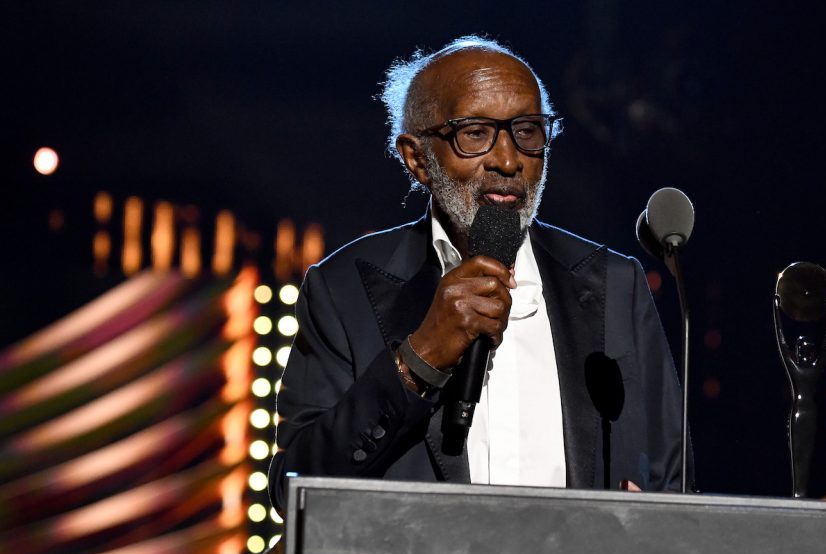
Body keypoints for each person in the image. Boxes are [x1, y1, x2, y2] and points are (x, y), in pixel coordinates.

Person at [267, 36, 688, 513]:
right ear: (417, 157)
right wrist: (417, 361)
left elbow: (671, 482)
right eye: (475, 133)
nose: (508, 160)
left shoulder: (616, 285)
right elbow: (294, 491)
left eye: (527, 131)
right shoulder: (343, 290)